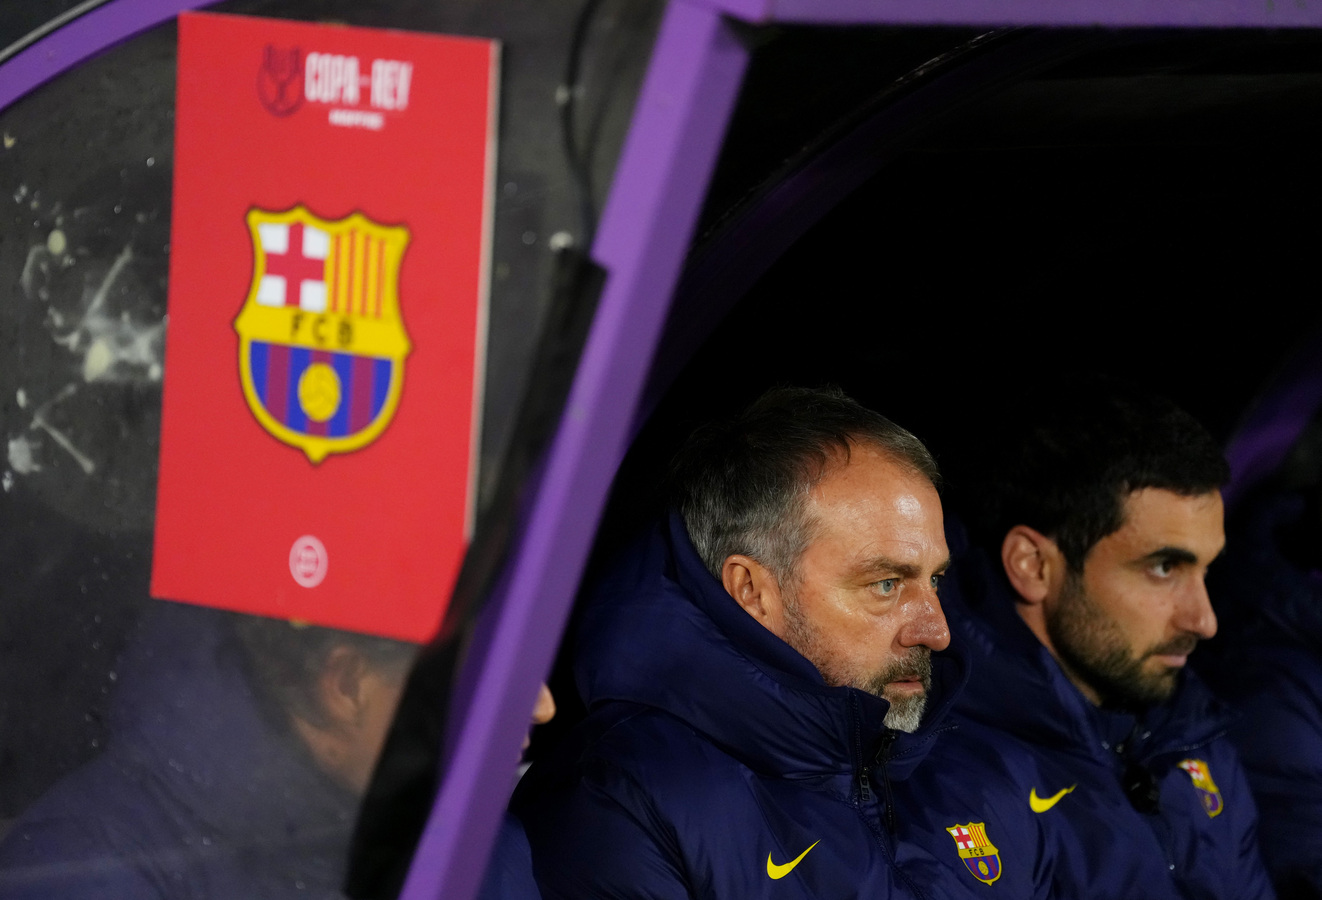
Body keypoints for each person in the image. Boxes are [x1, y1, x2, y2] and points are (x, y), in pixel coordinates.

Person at [513, 386, 1050, 899]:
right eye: (886, 585)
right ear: (751, 589)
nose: (937, 630)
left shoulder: (986, 771)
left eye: (934, 581)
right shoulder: (619, 800)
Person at [943, 381, 1274, 899]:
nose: (1204, 620)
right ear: (1033, 566)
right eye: (1164, 567)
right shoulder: (949, 778)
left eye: (1207, 570)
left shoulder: (1195, 740)